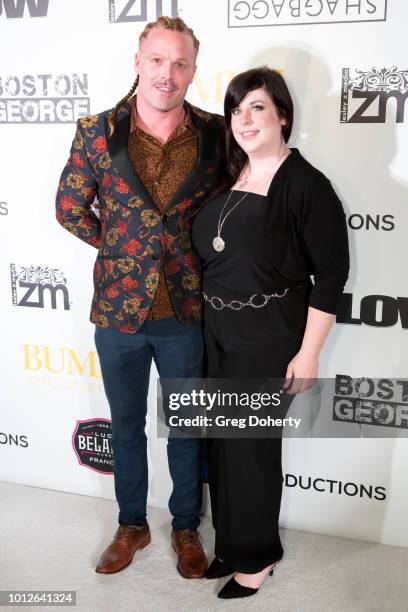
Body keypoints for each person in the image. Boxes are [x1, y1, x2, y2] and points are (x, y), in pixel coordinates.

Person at [55, 16, 224, 578]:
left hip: (185, 309)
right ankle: (131, 524)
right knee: (124, 424)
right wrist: (125, 249)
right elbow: (69, 208)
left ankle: (184, 528)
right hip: (118, 312)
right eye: (157, 60)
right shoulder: (97, 129)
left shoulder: (216, 134)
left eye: (180, 64)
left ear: (193, 71)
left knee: (186, 427)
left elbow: (237, 208)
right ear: (138, 61)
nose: (167, 74)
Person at [192, 66, 350, 599]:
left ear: (282, 114)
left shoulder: (306, 185)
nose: (245, 119)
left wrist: (309, 353)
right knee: (224, 446)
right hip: (217, 330)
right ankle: (233, 545)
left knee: (252, 449)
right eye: (236, 110)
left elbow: (330, 275)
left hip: (266, 335)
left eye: (257, 107)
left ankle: (258, 558)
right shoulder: (230, 176)